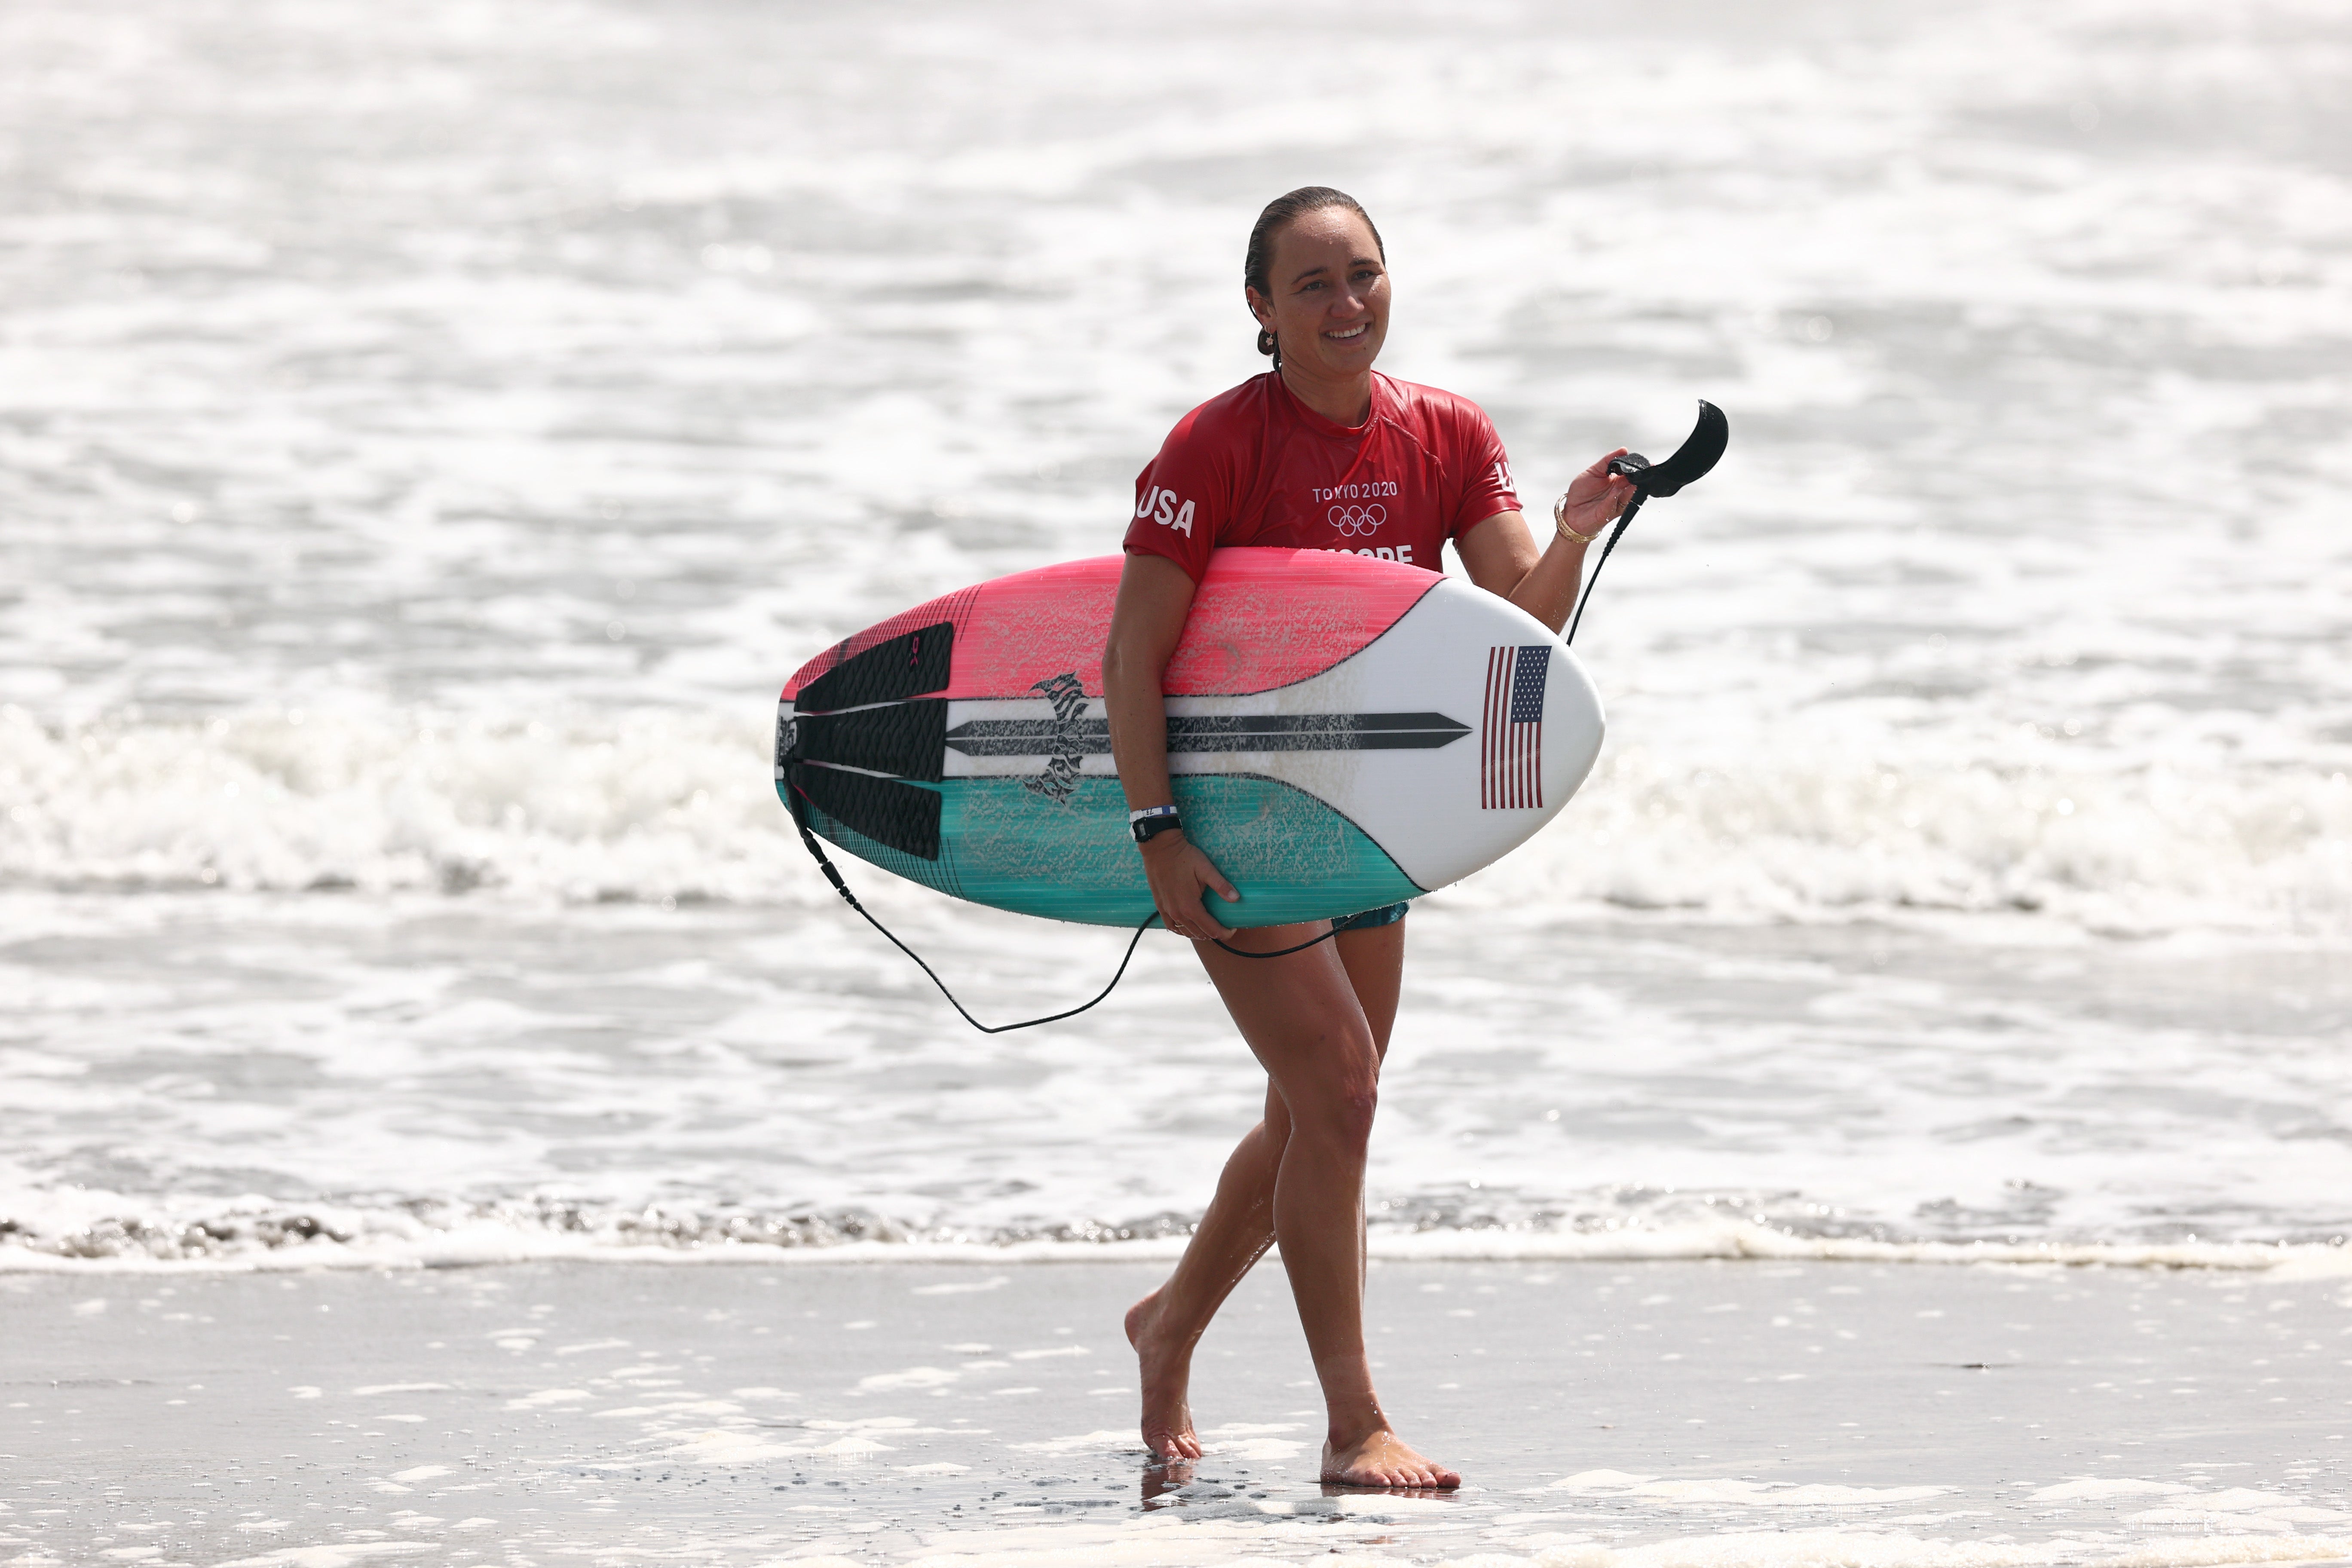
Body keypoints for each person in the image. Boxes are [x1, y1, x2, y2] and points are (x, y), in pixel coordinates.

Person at [1101, 187, 1635, 1489]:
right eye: (1314, 286)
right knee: (1339, 1089)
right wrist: (1159, 831)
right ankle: (1352, 1426)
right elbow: (1132, 655)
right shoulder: (1213, 448)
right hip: (1233, 813)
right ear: (1261, 312)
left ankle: (1166, 1326)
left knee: (1316, 1113)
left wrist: (1568, 533)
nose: (1349, 307)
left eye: (1367, 277)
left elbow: (1519, 622)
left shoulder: (1445, 433)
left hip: (1366, 821)